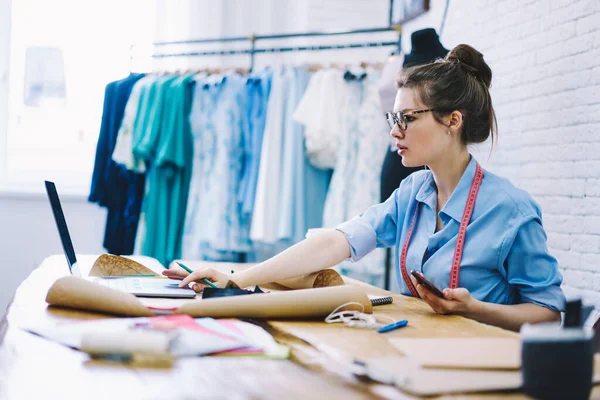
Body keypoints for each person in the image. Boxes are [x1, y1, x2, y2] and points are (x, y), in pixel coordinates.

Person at [164, 44, 565, 332]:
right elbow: (335, 242)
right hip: (428, 348)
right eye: (394, 116)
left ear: (452, 121)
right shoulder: (413, 192)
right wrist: (238, 277)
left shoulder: (511, 209)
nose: (394, 130)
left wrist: (476, 308)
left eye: (407, 118)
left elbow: (548, 314)